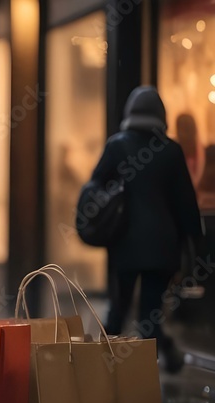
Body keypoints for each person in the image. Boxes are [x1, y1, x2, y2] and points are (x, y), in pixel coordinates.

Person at [90, 86, 202, 373]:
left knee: (118, 311)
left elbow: (94, 188)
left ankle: (103, 369)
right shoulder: (171, 151)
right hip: (162, 247)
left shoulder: (117, 146)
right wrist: (196, 245)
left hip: (123, 242)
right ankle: (148, 371)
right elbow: (186, 204)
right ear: (160, 116)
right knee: (149, 316)